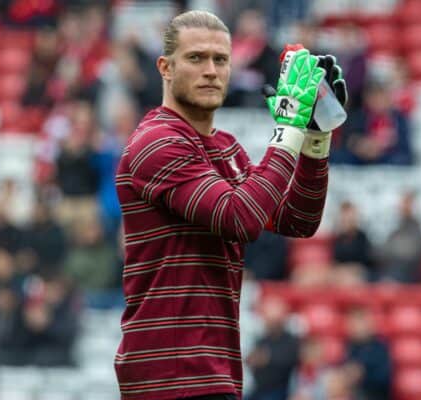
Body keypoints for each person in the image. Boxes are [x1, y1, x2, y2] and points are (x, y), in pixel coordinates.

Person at [114, 10, 347, 400]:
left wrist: (313, 140)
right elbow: (240, 217)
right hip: (169, 374)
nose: (211, 70)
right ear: (165, 67)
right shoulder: (156, 142)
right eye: (196, 58)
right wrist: (288, 129)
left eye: (220, 59)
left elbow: (298, 220)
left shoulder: (226, 148)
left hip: (210, 369)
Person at [245, 297, 300, 400]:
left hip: (280, 390)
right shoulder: (262, 339)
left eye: (275, 320)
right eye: (269, 320)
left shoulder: (291, 340)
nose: (271, 323)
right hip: (257, 389)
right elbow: (250, 359)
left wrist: (267, 358)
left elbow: (290, 360)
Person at [342, 307, 392, 400]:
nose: (355, 328)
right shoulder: (350, 347)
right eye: (352, 324)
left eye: (359, 323)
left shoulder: (380, 348)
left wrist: (362, 374)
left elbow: (384, 379)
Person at [378, 192, 421, 283]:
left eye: (407, 203)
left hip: (407, 273)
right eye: (402, 203)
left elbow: (413, 252)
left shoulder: (416, 227)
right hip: (390, 269)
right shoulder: (396, 227)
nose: (403, 207)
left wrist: (393, 251)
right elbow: (385, 250)